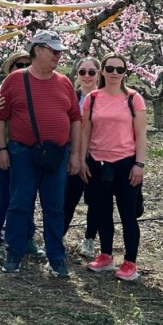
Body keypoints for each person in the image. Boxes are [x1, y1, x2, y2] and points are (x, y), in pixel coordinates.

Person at [0, 30, 82, 278]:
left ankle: (56, 257)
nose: (58, 56)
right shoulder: (15, 80)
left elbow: (75, 119)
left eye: (59, 51)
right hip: (22, 152)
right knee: (20, 204)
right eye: (53, 51)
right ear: (38, 50)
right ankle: (14, 253)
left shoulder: (64, 82)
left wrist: (75, 154)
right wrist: (1, 149)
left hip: (57, 153)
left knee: (54, 206)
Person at [82, 53, 148, 281]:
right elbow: (85, 132)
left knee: (128, 213)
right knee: (101, 212)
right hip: (98, 162)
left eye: (119, 70)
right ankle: (106, 255)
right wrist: (81, 159)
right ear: (103, 71)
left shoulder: (133, 98)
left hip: (126, 162)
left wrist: (139, 164)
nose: (114, 73)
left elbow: (140, 134)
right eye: (109, 68)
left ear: (125, 73)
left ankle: (130, 262)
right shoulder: (92, 98)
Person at [0, 50, 45, 262]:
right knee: (0, 197)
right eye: (19, 65)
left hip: (26, 151)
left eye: (28, 64)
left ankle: (26, 238)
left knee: (25, 197)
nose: (23, 68)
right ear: (10, 69)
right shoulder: (0, 90)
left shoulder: (37, 89)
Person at [63, 57, 101, 259]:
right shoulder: (71, 96)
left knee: (95, 200)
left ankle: (89, 239)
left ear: (99, 74)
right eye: (82, 72)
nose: (87, 76)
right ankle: (59, 236)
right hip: (73, 153)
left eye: (92, 72)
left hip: (97, 155)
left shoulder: (103, 98)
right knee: (68, 198)